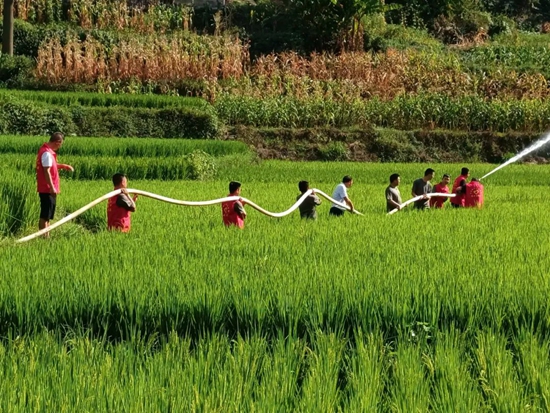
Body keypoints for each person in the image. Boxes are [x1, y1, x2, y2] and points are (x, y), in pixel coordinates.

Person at [36, 132, 74, 234]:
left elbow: (51, 165)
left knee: (47, 215)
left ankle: (46, 236)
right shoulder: (47, 153)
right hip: (47, 189)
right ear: (58, 142)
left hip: (47, 188)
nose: (60, 146)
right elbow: (46, 171)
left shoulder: (46, 151)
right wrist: (52, 187)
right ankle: (44, 238)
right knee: (45, 215)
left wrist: (63, 166)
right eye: (61, 144)